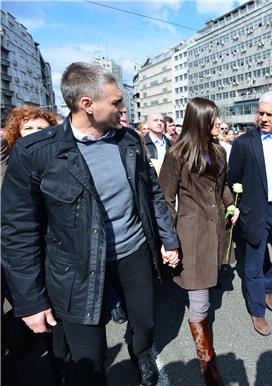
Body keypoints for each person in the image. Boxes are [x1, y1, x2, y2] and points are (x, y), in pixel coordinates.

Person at [1, 62, 180, 386]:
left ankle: (140, 353)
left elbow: (152, 193)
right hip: (74, 268)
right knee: (87, 360)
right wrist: (30, 300)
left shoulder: (128, 141)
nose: (123, 109)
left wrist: (169, 240)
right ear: (87, 104)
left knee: (145, 324)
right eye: (116, 102)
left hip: (133, 254)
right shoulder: (36, 152)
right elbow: (18, 231)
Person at [159, 98, 237, 386]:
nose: (219, 124)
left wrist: (232, 205)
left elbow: (223, 187)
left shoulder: (218, 150)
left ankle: (207, 358)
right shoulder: (176, 154)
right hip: (191, 234)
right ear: (200, 121)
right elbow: (165, 199)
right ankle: (207, 362)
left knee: (206, 289)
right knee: (200, 299)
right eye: (214, 119)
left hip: (217, 230)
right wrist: (170, 240)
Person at [227, 91, 272, 336]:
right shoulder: (244, 143)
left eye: (269, 114)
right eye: (261, 113)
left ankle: (265, 288)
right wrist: (239, 208)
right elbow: (233, 179)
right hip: (256, 212)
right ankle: (257, 311)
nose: (263, 118)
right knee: (253, 266)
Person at [1, 106, 58, 185]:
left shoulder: (59, 155)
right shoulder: (11, 157)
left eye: (41, 128)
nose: (35, 132)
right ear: (17, 132)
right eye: (28, 128)